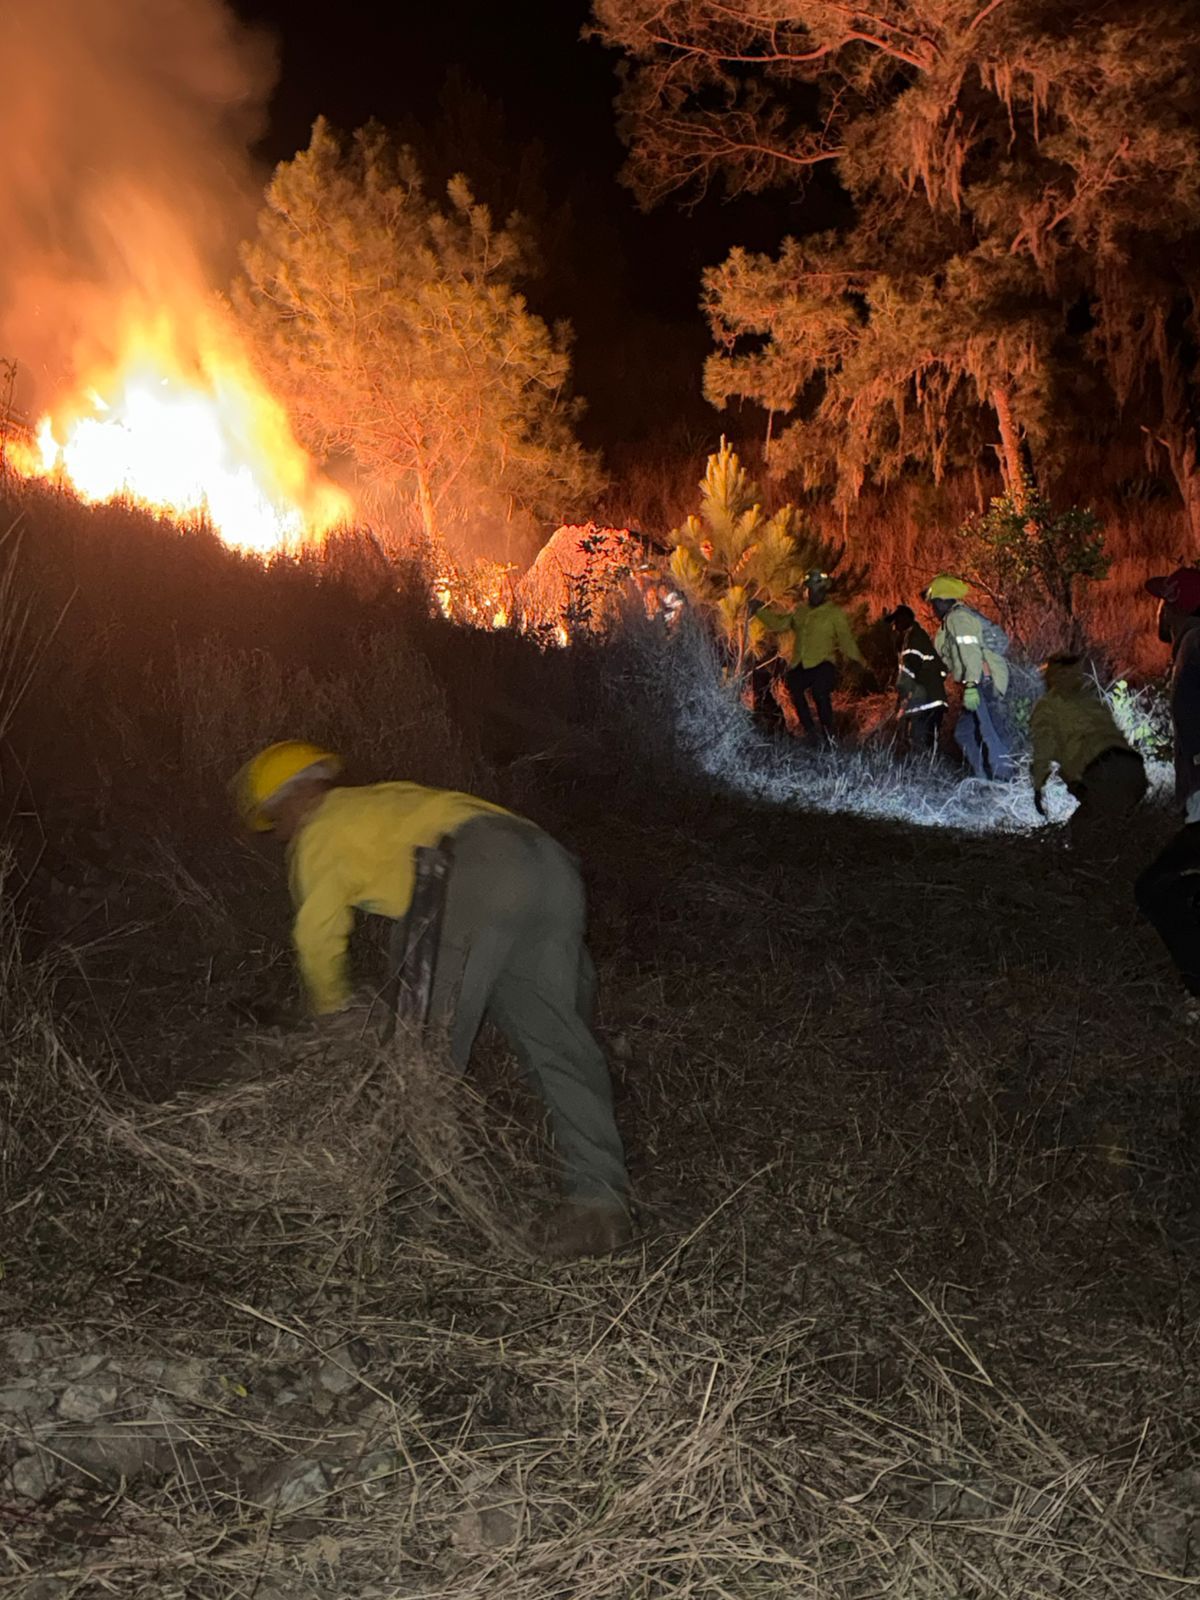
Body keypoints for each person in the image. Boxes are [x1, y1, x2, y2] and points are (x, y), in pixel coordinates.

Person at [233, 740, 632, 1259]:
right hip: (550, 866)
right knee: (558, 1045)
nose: (279, 832)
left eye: (274, 820)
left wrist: (331, 1011)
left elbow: (316, 934)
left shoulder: (318, 831)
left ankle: (406, 1212)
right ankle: (600, 1205)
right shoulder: (388, 800)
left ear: (290, 800)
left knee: (422, 1057)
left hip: (474, 868)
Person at [1134, 568, 1200, 1012]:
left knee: (1157, 889)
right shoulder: (1190, 648)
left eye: (1163, 599)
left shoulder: (1197, 647)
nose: (1157, 608)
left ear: (1177, 604)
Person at [1030, 654, 1147, 850]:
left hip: (1102, 775)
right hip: (1134, 771)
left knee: (1082, 833)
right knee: (1119, 830)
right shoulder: (1091, 701)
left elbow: (1043, 751)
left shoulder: (1047, 707)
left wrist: (1038, 786)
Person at [758, 569, 866, 746]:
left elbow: (847, 642)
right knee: (795, 688)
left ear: (816, 590)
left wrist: (862, 663)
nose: (805, 593)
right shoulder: (800, 612)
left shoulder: (834, 613)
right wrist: (758, 611)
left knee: (820, 694)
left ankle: (829, 736)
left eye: (807, 589)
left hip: (824, 664)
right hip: (801, 664)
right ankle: (810, 732)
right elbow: (778, 623)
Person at [923, 575, 1015, 781]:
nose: (933, 608)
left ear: (944, 600)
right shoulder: (951, 621)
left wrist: (972, 684)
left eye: (934, 603)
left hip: (983, 678)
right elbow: (953, 657)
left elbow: (970, 652)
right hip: (977, 679)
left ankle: (1005, 779)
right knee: (964, 732)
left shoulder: (958, 618)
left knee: (989, 730)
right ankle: (984, 778)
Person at [884, 603, 947, 753]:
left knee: (920, 743)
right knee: (929, 745)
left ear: (904, 621)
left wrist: (902, 703)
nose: (894, 628)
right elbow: (941, 670)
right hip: (934, 699)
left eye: (895, 623)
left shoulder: (912, 641)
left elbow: (908, 675)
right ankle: (929, 770)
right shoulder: (919, 637)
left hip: (926, 702)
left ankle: (923, 772)